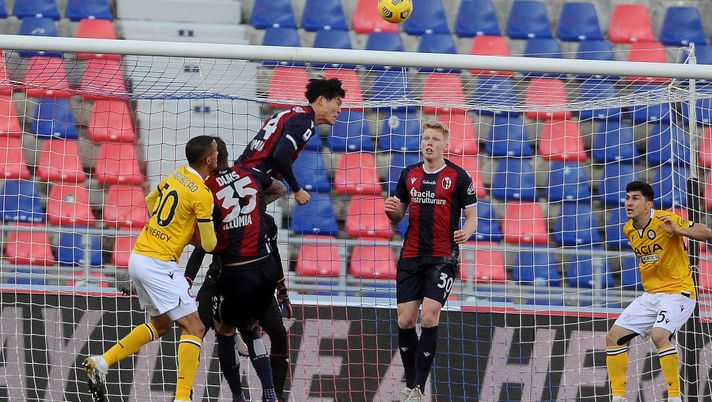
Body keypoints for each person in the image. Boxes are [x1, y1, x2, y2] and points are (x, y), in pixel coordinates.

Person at [84, 135, 220, 402]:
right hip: (159, 263)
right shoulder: (202, 194)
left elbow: (149, 201)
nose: (218, 155)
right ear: (208, 159)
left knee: (161, 325)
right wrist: (195, 234)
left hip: (139, 256)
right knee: (195, 328)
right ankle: (183, 398)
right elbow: (209, 243)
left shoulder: (177, 175)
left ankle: (102, 361)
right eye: (216, 152)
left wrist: (172, 228)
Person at [384, 121, 478, 402]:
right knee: (405, 320)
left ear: (444, 145)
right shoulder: (408, 174)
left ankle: (417, 388)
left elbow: (472, 216)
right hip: (411, 254)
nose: (429, 143)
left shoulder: (459, 177)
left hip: (443, 256)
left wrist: (466, 233)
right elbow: (398, 214)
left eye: (435, 139)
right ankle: (412, 383)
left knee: (428, 316)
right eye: (426, 138)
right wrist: (391, 212)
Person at [606, 181, 712, 402]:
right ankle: (618, 398)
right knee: (613, 338)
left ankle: (674, 398)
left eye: (635, 198)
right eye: (627, 198)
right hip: (651, 295)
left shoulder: (665, 219)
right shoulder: (628, 230)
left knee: (659, 335)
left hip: (678, 292)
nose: (629, 202)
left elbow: (706, 231)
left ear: (648, 204)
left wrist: (678, 230)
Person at [204, 136, 287, 402]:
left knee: (225, 330)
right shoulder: (251, 173)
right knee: (251, 328)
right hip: (265, 270)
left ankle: (239, 397)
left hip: (235, 270)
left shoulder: (208, 186)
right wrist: (255, 214)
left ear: (212, 159)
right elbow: (280, 189)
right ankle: (271, 393)